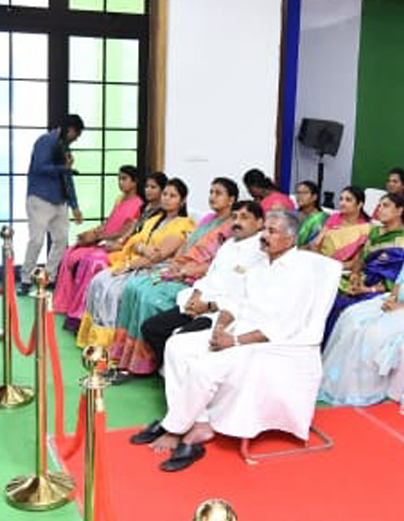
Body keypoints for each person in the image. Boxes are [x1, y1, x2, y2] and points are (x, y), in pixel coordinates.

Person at [129, 209, 325, 472]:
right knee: (176, 346)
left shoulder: (298, 273)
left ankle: (175, 427)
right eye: (265, 229)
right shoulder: (260, 263)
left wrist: (232, 341)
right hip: (236, 328)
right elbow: (236, 302)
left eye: (271, 231)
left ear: (290, 240)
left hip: (267, 343)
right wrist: (221, 327)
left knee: (203, 366)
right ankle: (198, 422)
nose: (264, 236)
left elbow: (280, 326)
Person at [320, 207, 404, 407]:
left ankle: (364, 391)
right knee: (350, 318)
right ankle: (336, 384)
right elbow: (402, 277)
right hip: (399, 301)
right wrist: (393, 298)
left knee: (373, 332)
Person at [108, 179, 242, 377]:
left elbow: (217, 265)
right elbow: (188, 246)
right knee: (134, 287)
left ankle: (144, 363)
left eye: (218, 193)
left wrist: (186, 270)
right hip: (180, 269)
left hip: (197, 278)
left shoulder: (231, 227)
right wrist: (176, 263)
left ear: (231, 199)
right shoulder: (207, 220)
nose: (212, 196)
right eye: (211, 191)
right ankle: (123, 356)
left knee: (149, 297)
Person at [139, 200, 267, 368]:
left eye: (244, 217)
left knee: (178, 340)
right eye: (234, 217)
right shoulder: (228, 245)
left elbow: (243, 296)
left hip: (222, 312)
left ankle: (186, 378)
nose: (237, 222)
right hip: (200, 303)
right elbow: (210, 275)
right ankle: (173, 374)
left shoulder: (261, 252)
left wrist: (208, 306)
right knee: (151, 328)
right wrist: (196, 295)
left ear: (259, 223)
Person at [76, 179, 195, 349]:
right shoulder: (155, 219)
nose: (167, 198)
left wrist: (135, 258)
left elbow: (158, 256)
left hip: (155, 268)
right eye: (165, 194)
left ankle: (109, 344)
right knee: (99, 281)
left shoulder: (184, 225)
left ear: (182, 200)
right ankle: (93, 339)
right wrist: (141, 248)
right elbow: (135, 242)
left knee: (114, 291)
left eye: (173, 196)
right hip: (135, 260)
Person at [52, 165, 144, 329]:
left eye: (124, 179)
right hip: (103, 240)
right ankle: (66, 304)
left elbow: (124, 232)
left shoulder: (138, 204)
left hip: (116, 245)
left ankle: (82, 312)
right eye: (119, 179)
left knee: (91, 261)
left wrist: (97, 237)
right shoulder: (120, 199)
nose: (120, 183)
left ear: (135, 181)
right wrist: (91, 233)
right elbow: (108, 224)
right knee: (70, 252)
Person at [322, 192, 404, 345]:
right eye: (379, 205)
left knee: (345, 308)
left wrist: (367, 290)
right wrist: (354, 275)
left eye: (386, 206)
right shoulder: (375, 232)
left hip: (383, 290)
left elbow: (401, 277)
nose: (380, 209)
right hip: (361, 280)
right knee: (326, 294)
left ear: (400, 211)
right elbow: (361, 259)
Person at [21, 114, 84, 293]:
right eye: (76, 135)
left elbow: (68, 179)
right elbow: (39, 167)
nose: (76, 139)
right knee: (36, 240)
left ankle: (49, 276)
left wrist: (75, 206)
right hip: (40, 198)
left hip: (60, 201)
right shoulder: (45, 141)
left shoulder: (66, 147)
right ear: (70, 129)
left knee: (61, 239)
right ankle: (26, 278)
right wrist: (64, 168)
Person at [294, 180, 328, 247]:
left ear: (314, 197)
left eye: (304, 193)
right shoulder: (293, 215)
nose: (299, 196)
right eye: (298, 193)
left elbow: (315, 244)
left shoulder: (320, 219)